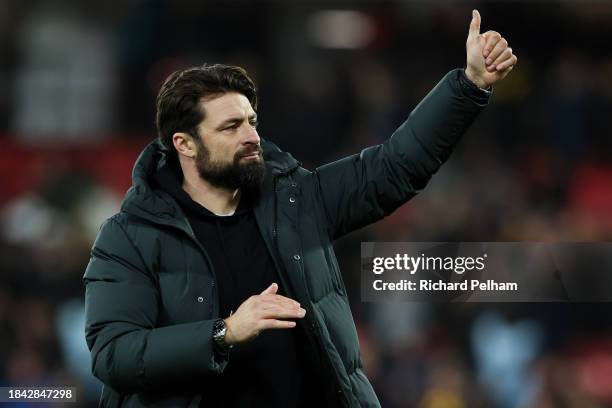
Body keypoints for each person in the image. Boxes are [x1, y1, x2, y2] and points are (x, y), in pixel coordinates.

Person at [83, 10, 517, 408]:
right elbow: (114, 355)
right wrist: (223, 333)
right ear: (185, 144)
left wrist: (468, 85)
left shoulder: (296, 200)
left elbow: (393, 166)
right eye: (231, 126)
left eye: (251, 121)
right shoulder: (128, 236)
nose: (251, 135)